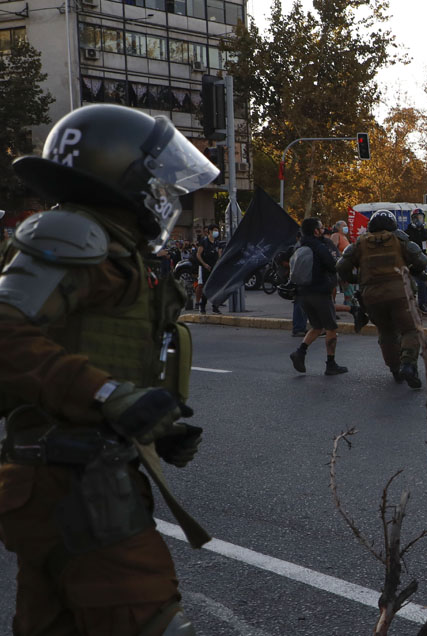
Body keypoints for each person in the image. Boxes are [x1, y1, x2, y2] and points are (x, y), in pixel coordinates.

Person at [0, 103, 216, 634]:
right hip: (72, 482)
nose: (167, 195)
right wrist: (107, 397)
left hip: (66, 475)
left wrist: (150, 424)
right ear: (120, 171)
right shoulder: (75, 233)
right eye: (157, 180)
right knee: (152, 621)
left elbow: (83, 349)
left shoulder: (116, 246)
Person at [337, 210, 427, 388]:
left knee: (386, 333)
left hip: (372, 297)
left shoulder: (359, 243)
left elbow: (341, 267)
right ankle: (408, 364)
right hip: (401, 294)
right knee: (411, 330)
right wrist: (414, 271)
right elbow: (421, 261)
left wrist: (358, 279)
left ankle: (395, 368)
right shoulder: (399, 239)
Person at [289, 217, 348, 376]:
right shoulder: (320, 246)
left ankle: (299, 353)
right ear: (316, 231)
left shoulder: (300, 245)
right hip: (320, 292)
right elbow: (332, 264)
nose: (323, 230)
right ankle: (331, 363)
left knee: (317, 326)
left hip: (303, 293)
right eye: (321, 228)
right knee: (331, 328)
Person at [404, 209, 427, 315]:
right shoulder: (408, 232)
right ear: (412, 219)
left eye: (420, 217)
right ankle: (418, 306)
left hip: (423, 261)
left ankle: (423, 305)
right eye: (416, 218)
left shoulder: (424, 231)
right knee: (421, 284)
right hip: (412, 262)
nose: (419, 220)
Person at [195, 223, 223, 314]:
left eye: (217, 230)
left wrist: (219, 264)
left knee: (216, 287)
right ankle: (202, 306)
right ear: (210, 231)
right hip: (206, 267)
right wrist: (204, 264)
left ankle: (215, 306)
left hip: (215, 268)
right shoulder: (204, 241)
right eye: (215, 230)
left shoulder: (217, 243)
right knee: (206, 287)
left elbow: (219, 255)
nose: (216, 232)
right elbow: (198, 255)